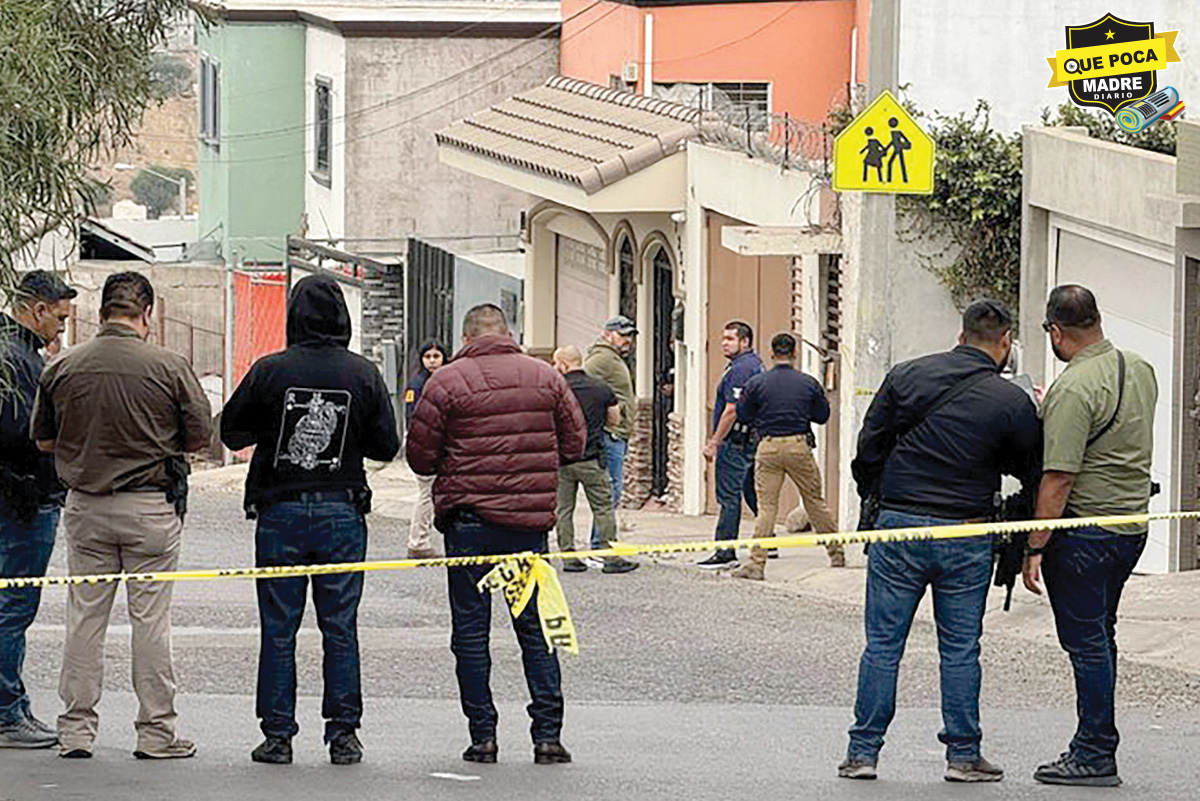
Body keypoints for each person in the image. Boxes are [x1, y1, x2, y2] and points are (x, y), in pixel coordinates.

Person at [841, 299, 1041, 783]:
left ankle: (863, 753)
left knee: (883, 645)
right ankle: (963, 755)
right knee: (960, 648)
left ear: (960, 335)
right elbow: (1030, 470)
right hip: (967, 532)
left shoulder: (907, 375)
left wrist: (883, 501)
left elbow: (868, 449)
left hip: (901, 526)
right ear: (1006, 343)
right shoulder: (1009, 399)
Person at [220, 274, 400, 767]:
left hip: (279, 510)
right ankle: (344, 734)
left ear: (294, 316)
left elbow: (231, 432)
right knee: (340, 625)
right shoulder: (362, 374)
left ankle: (277, 735)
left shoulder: (270, 371)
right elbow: (387, 445)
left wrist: (271, 423)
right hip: (342, 511)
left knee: (279, 627)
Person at [31, 272, 212, 760]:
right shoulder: (169, 366)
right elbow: (200, 437)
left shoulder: (64, 367)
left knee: (85, 619)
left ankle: (75, 731)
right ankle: (155, 732)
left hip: (86, 506)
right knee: (150, 621)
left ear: (103, 310)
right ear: (146, 313)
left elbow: (45, 441)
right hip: (150, 508)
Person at [407, 304, 586, 766]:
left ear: (465, 337)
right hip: (527, 529)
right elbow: (574, 444)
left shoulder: (446, 380)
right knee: (534, 630)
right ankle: (548, 737)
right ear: (508, 332)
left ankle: (482, 736)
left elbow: (421, 457)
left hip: (468, 525)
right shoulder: (546, 377)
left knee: (470, 631)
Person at [1022, 285, 1157, 788]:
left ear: (1057, 331)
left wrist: (1035, 545)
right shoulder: (1139, 367)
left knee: (1086, 643)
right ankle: (1096, 741)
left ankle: (1095, 750)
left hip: (1084, 532)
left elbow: (1058, 478)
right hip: (1132, 527)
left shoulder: (1072, 388)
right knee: (1103, 634)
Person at [0, 271, 75, 749]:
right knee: (13, 608)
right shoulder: (17, 360)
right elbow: (24, 433)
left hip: (21, 495)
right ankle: (7, 712)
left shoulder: (19, 354)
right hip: (23, 500)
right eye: (60, 319)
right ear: (38, 309)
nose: (62, 330)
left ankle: (12, 705)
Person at [731, 333, 842, 580]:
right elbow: (822, 416)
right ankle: (836, 553)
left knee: (767, 507)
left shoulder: (757, 383)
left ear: (772, 354)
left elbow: (744, 415)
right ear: (795, 354)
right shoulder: (808, 383)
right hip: (798, 446)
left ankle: (756, 564)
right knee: (814, 501)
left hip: (768, 447)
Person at [552, 345, 638, 575]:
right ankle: (609, 556)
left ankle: (568, 556)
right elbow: (614, 420)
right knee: (603, 507)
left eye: (555, 363)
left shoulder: (556, 390)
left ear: (564, 364)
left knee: (563, 509)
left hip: (562, 461)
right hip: (591, 458)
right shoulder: (601, 388)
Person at [698, 321, 763, 569]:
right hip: (749, 440)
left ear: (745, 341)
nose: (724, 343)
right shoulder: (751, 364)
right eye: (723, 338)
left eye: (730, 339)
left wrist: (715, 442)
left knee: (729, 496)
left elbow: (731, 410)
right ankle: (767, 540)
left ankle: (725, 551)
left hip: (735, 441)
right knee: (751, 491)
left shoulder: (741, 369)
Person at [584, 315, 637, 551]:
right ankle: (601, 545)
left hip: (617, 433)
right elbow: (583, 385)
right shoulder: (602, 358)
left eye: (630, 336)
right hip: (610, 434)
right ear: (608, 334)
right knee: (609, 492)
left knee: (612, 491)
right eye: (623, 335)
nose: (628, 340)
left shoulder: (613, 357)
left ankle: (602, 542)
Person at [404, 340, 447, 559]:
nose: (432, 361)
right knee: (427, 494)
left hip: (438, 443)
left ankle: (422, 539)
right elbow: (413, 418)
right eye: (428, 356)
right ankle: (419, 542)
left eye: (436, 356)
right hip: (424, 444)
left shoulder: (444, 380)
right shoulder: (418, 383)